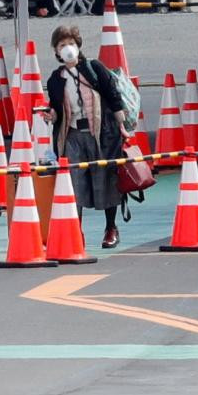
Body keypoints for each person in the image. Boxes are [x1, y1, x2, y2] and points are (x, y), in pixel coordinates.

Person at [44, 25, 130, 249]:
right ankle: (75, 231)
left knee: (106, 179)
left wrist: (121, 124)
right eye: (62, 45)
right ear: (56, 51)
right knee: (74, 182)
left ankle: (111, 228)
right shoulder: (55, 79)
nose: (67, 48)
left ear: (78, 45)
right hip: (72, 134)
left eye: (70, 43)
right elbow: (57, 108)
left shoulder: (93, 68)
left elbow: (112, 93)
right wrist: (51, 114)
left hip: (102, 133)